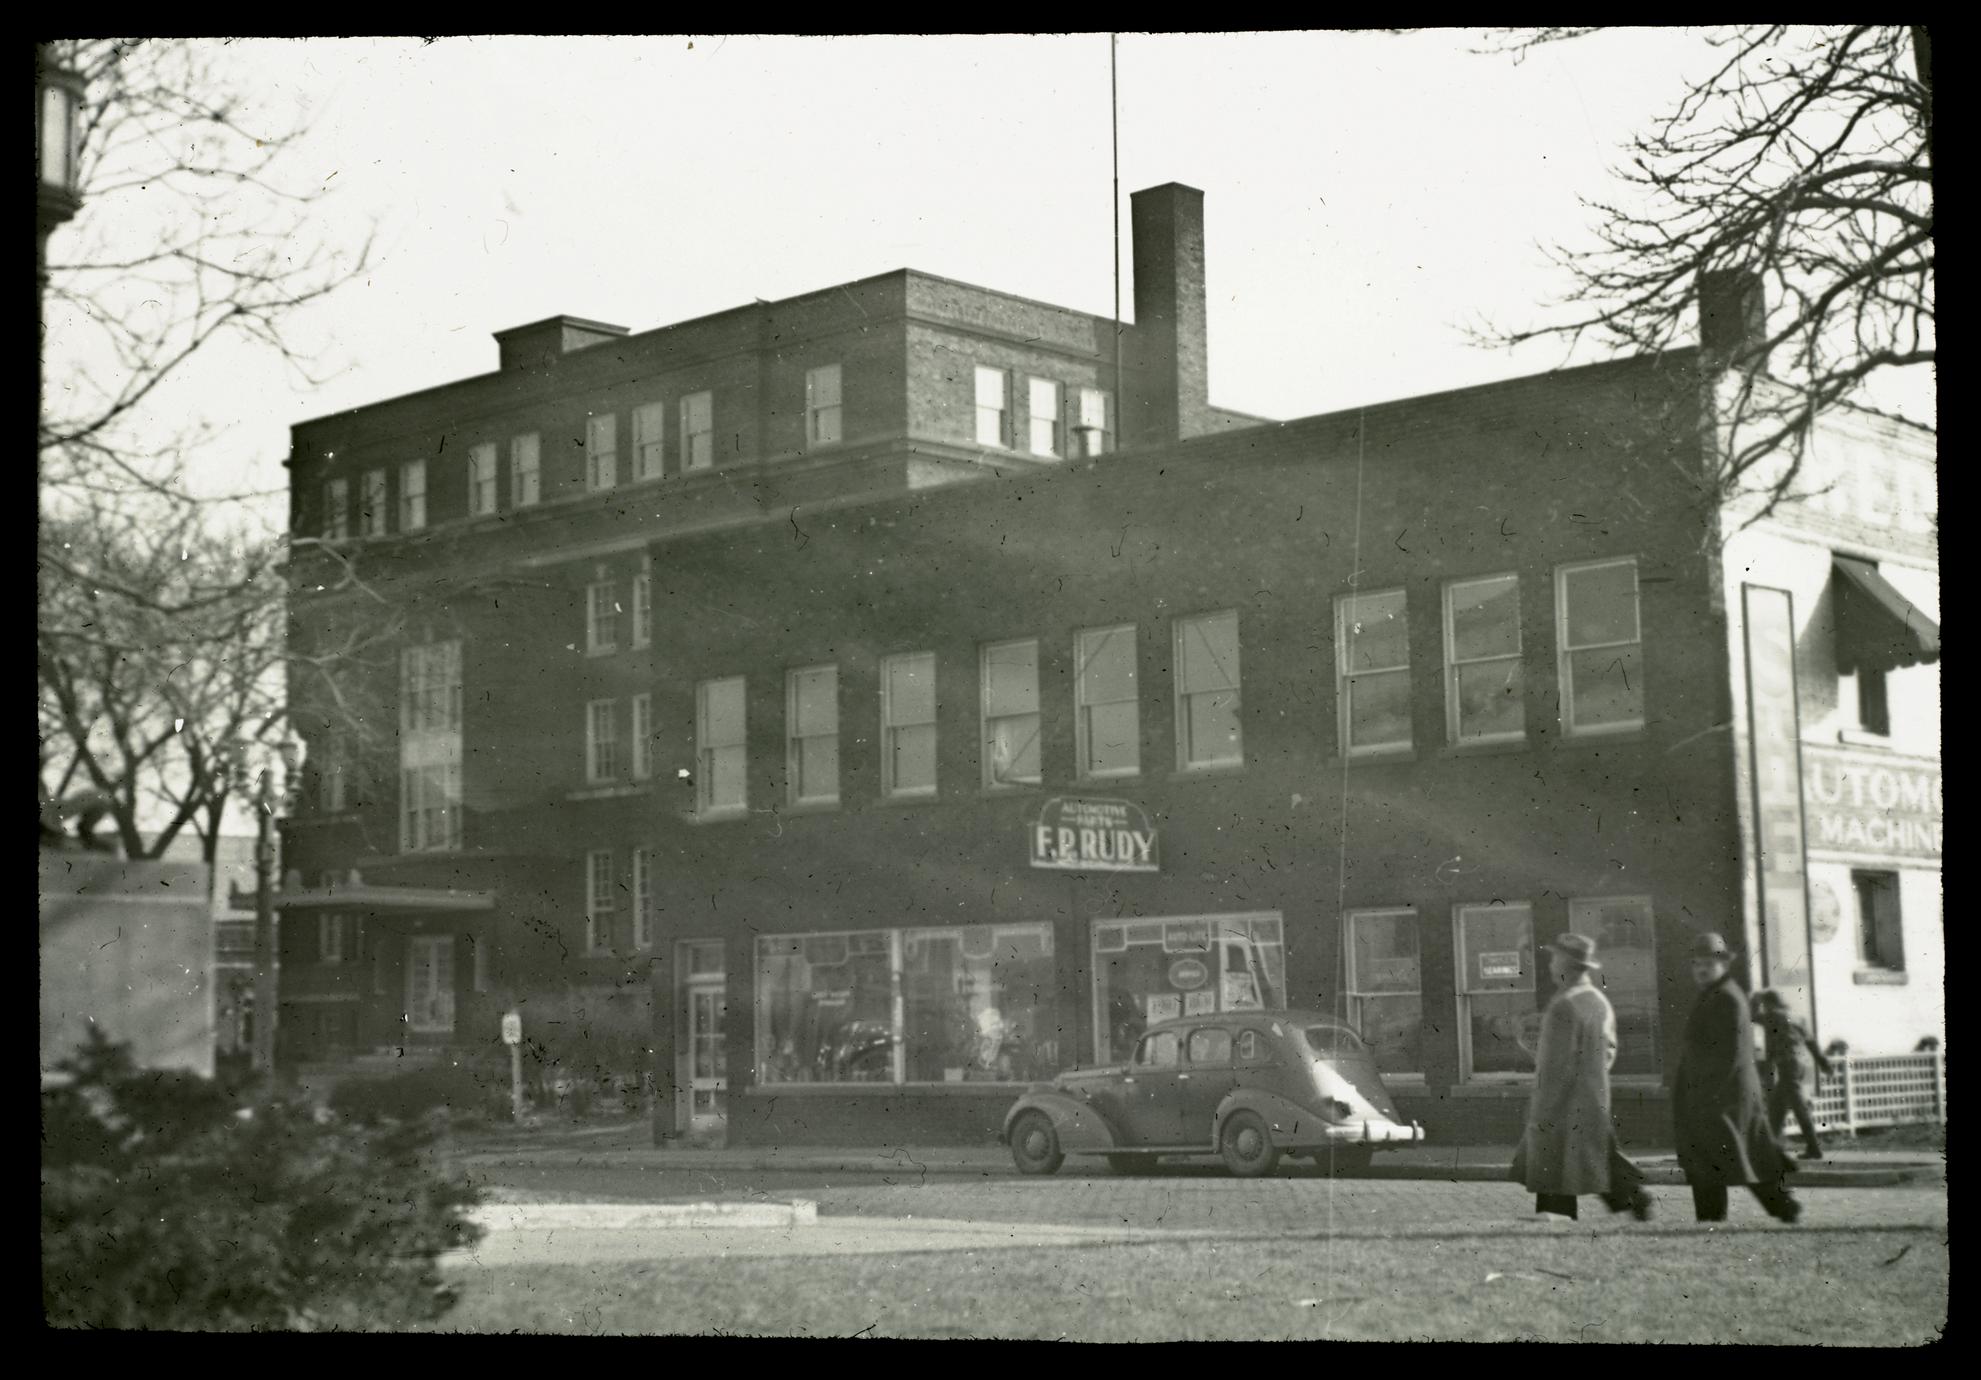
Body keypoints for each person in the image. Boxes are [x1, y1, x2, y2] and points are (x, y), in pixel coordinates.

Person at [1511, 933, 1654, 1222]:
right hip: (1593, 1093)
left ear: (1565, 964)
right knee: (1590, 1155)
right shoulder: (1598, 1001)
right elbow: (1608, 1050)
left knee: (1556, 1150)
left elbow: (1555, 1065)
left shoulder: (1564, 1005)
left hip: (1565, 1098)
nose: (1551, 965)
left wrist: (1542, 1105)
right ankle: (1630, 1197)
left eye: (1554, 959)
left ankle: (1559, 1212)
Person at [1672, 933, 1801, 1224]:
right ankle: (1715, 1218)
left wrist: (1703, 1095)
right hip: (1716, 1093)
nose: (1701, 970)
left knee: (1737, 1154)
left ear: (1724, 964)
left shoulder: (1726, 998)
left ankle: (1781, 1206)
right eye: (1696, 964)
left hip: (1722, 1094)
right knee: (1725, 1156)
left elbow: (1728, 1054)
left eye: (1708, 963)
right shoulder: (1714, 994)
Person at [1752, 990, 1834, 1160]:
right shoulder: (1798, 1017)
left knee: (1798, 1107)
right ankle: (1769, 1150)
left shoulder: (1772, 1015)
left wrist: (1754, 999)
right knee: (1777, 1107)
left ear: (1769, 1003)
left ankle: (1814, 1148)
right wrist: (1823, 1063)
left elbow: (1752, 1017)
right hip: (1800, 1063)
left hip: (1787, 1064)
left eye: (1765, 1004)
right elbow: (1811, 1043)